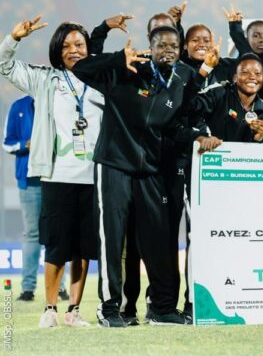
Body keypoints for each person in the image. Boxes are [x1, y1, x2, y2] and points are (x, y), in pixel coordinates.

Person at [72, 25, 219, 327]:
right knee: (112, 238)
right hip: (114, 162)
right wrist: (115, 59)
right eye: (161, 45)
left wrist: (197, 134)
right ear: (149, 47)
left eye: (173, 46)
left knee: (159, 237)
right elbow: (81, 67)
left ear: (180, 50)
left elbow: (185, 112)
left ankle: (162, 307)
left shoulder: (183, 77)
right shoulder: (128, 68)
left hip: (150, 167)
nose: (168, 50)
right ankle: (109, 308)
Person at [0, 16, 103, 328]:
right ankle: (50, 309)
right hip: (57, 175)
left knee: (84, 249)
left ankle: (73, 310)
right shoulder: (44, 79)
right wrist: (13, 39)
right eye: (67, 45)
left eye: (79, 44)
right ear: (58, 51)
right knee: (57, 246)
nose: (73, 50)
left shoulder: (101, 81)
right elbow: (3, 66)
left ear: (88, 49)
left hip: (94, 176)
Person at [3, 96, 69, 302]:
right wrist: (26, 144)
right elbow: (7, 143)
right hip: (29, 181)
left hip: (55, 177)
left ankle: (60, 287)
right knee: (32, 234)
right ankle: (28, 288)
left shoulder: (57, 101)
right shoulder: (18, 106)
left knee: (57, 234)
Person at [186, 52, 263, 150]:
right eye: (245, 72)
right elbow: (189, 106)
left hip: (240, 169)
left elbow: (261, 148)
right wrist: (204, 135)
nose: (252, 77)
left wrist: (262, 138)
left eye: (258, 73)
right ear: (235, 78)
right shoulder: (219, 93)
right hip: (213, 162)